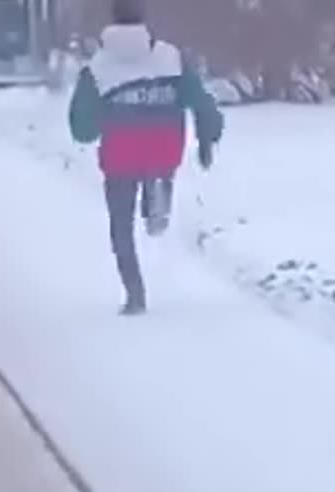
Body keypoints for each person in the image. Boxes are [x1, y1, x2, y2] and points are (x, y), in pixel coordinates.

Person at [68, 0, 224, 316]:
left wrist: (102, 119)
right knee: (158, 162)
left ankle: (135, 294)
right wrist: (207, 138)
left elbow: (81, 127)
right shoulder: (170, 57)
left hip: (120, 156)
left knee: (120, 227)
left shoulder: (98, 67)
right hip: (164, 146)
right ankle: (158, 183)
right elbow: (202, 102)